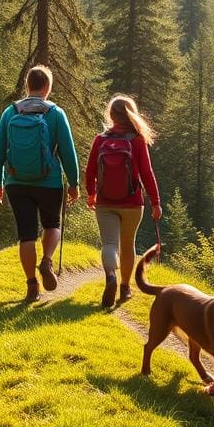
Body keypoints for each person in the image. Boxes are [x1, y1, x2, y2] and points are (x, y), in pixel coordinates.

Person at [0, 65, 80, 302]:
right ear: (47, 87)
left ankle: (31, 285)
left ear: (27, 85)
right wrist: (74, 183)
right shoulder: (56, 114)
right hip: (49, 182)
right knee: (52, 226)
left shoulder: (10, 113)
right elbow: (68, 152)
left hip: (16, 183)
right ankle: (47, 261)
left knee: (26, 236)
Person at [85, 95, 161, 308]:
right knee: (127, 244)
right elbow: (147, 173)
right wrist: (156, 202)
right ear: (131, 114)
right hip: (132, 203)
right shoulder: (137, 140)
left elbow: (90, 170)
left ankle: (111, 276)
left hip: (105, 201)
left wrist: (91, 194)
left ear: (111, 115)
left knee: (109, 243)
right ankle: (125, 288)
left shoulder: (100, 140)